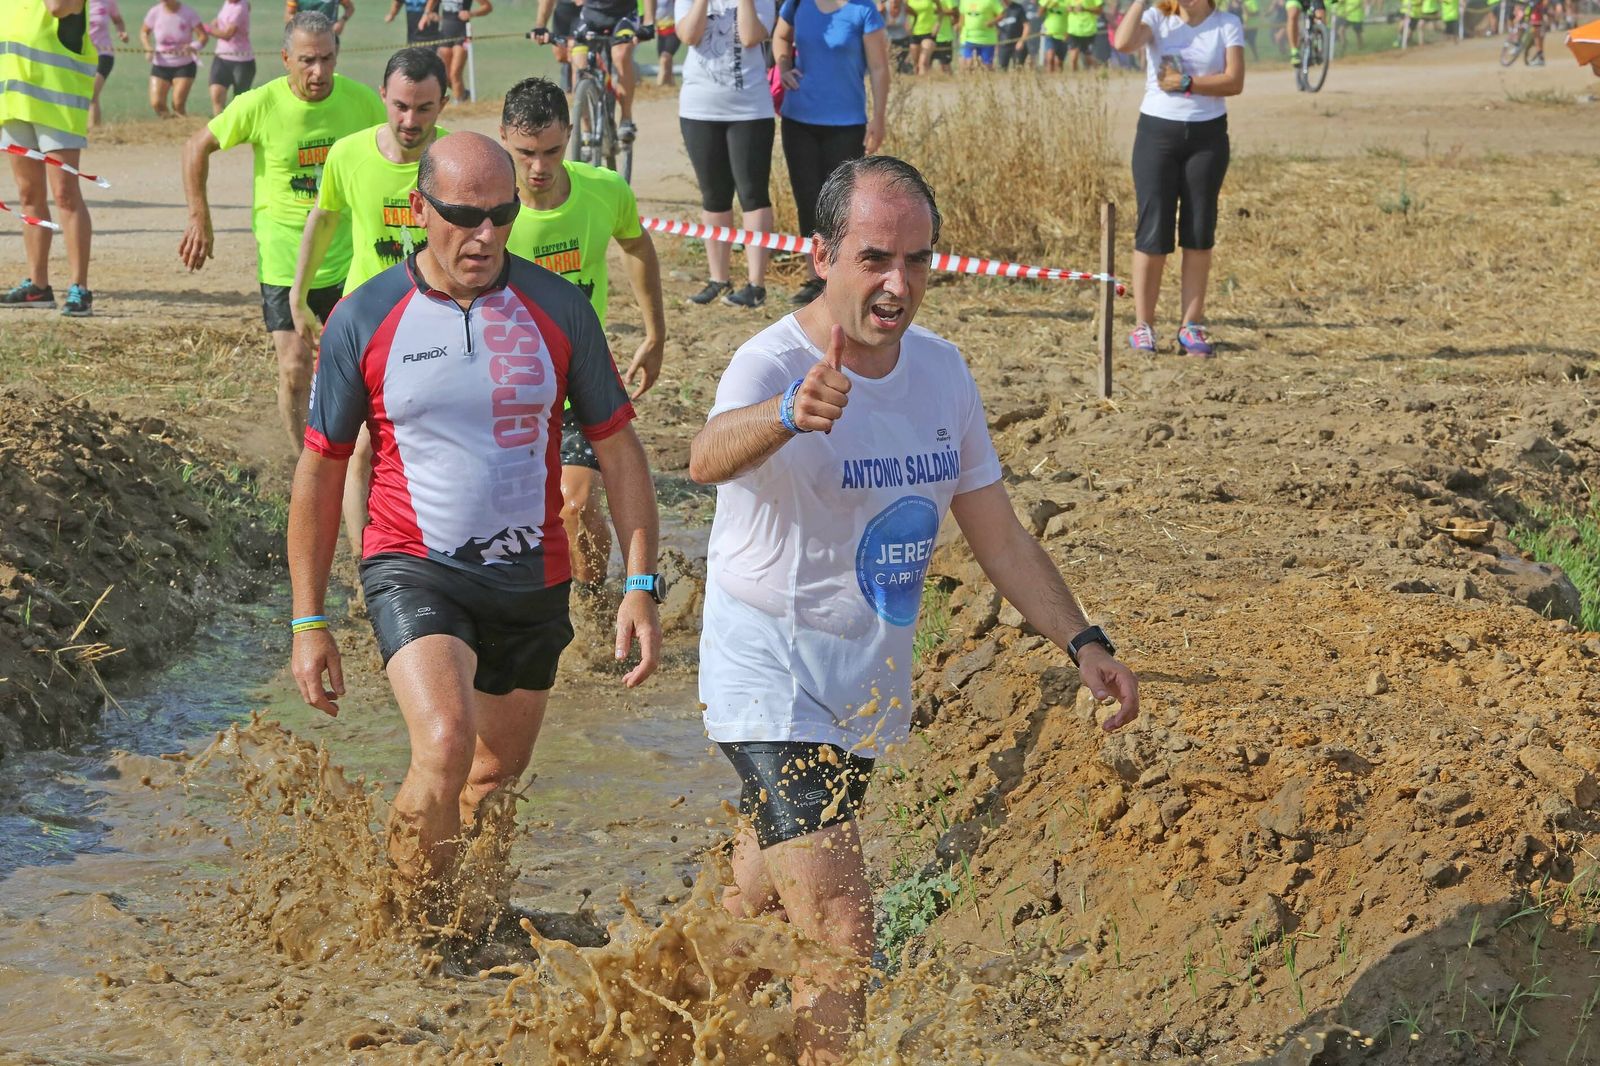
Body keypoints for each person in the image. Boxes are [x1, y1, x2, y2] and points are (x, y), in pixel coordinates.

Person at [688, 156, 1140, 1065]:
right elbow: (703, 457)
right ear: (822, 256)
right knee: (843, 927)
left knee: (753, 908)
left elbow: (999, 536)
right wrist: (785, 413)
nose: (899, 285)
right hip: (769, 672)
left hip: (860, 685)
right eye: (875, 259)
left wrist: (1082, 640)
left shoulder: (941, 373)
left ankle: (659, 1020)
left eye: (919, 261)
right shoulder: (773, 359)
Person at [288, 131, 663, 895]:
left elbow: (620, 450)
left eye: (502, 215)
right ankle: (401, 930)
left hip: (531, 579)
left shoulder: (558, 307)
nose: (486, 236)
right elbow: (322, 470)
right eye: (465, 216)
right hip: (413, 564)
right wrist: (308, 619)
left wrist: (640, 582)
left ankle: (468, 919)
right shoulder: (365, 317)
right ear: (419, 209)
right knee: (445, 743)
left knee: (493, 778)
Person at [179, 12, 385, 448]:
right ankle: (300, 465)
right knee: (294, 368)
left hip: (349, 258)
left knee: (362, 372)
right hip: (285, 260)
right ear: (286, 58)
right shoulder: (262, 103)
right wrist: (201, 218)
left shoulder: (362, 102)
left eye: (328, 59)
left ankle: (359, 465)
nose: (319, 72)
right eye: (308, 60)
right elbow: (196, 146)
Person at [498, 77, 667, 590]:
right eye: (525, 152)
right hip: (505, 383)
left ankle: (590, 615)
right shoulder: (487, 209)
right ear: (502, 136)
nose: (539, 167)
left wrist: (654, 333)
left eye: (552, 151)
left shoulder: (604, 189)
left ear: (570, 134)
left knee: (576, 504)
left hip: (579, 375)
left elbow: (636, 246)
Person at [290, 47, 449, 559]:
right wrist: (298, 291)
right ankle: (369, 566)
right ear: (383, 95)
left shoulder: (453, 162)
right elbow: (323, 217)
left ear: (443, 104)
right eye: (401, 105)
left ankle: (435, 550)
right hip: (364, 326)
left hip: (437, 325)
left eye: (424, 109)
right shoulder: (349, 154)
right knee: (356, 449)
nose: (410, 120)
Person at [1114, 0, 1242, 358]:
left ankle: (1191, 325)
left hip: (1208, 137)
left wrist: (1187, 83)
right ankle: (1143, 325)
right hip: (1157, 134)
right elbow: (1122, 44)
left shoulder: (1227, 23)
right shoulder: (1157, 19)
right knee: (1152, 232)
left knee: (1199, 233)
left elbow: (1235, 81)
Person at [772, 0, 889, 305]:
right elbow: (780, 36)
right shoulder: (797, 3)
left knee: (843, 204)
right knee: (806, 200)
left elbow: (878, 68)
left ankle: (845, 277)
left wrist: (878, 117)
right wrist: (783, 66)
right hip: (798, 120)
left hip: (846, 123)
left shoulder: (863, 10)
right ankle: (816, 279)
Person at [676, 0, 778, 309]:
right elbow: (688, 36)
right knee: (714, 195)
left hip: (750, 110)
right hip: (699, 108)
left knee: (752, 193)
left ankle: (755, 285)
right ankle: (718, 279)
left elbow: (750, 36)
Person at [0, 0, 97, 317]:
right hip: (16, 107)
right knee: (29, 195)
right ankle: (38, 286)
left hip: (57, 108)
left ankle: (79, 287)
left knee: (65, 194)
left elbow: (56, 7)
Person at [534, 0, 656, 144]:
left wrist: (649, 22)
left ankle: (626, 118)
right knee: (578, 61)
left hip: (624, 15)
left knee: (621, 54)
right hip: (591, 15)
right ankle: (587, 130)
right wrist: (540, 27)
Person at [142, 0, 206, 117]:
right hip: (161, 64)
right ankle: (171, 128)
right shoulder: (155, 12)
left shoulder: (189, 13)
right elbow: (144, 32)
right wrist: (148, 47)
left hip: (184, 65)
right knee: (157, 103)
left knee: (178, 104)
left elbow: (203, 36)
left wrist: (193, 46)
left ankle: (183, 129)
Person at [421, 0, 490, 100]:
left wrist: (471, 13)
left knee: (455, 73)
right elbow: (432, 2)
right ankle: (464, 95)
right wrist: (427, 14)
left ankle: (459, 105)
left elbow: (487, 7)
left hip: (462, 33)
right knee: (445, 76)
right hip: (446, 33)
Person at [205, 0, 254, 115]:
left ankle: (238, 127)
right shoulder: (228, 3)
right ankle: (219, 128)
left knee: (239, 101)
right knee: (216, 96)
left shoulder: (240, 7)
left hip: (242, 60)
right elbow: (220, 20)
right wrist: (215, 24)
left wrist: (207, 29)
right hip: (221, 57)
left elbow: (227, 34)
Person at [88, 0, 129, 127]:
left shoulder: (108, 2)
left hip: (104, 54)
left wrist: (121, 32)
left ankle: (94, 131)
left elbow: (118, 20)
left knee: (92, 93)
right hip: (81, 55)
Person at [957, 0, 1004, 67]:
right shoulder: (964, 1)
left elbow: (1002, 14)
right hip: (969, 38)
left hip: (987, 40)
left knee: (986, 66)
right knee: (968, 64)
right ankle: (969, 77)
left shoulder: (991, 1)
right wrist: (959, 27)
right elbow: (962, 16)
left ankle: (988, 77)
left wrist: (992, 22)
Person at [285, 0, 354, 36]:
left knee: (328, 62)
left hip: (329, 34)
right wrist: (297, 31)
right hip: (305, 35)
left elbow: (349, 8)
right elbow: (290, 14)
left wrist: (341, 22)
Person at [1064, 0, 1102, 66]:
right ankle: (1074, 75)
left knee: (1088, 59)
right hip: (1073, 30)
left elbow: (1099, 11)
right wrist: (1068, 9)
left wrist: (1085, 9)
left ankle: (1100, 68)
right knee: (1073, 58)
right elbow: (1063, 8)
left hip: (1088, 30)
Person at [904, 0, 939, 70]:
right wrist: (906, 23)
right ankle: (925, 79)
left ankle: (925, 80)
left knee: (923, 63)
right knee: (915, 65)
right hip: (914, 33)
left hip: (929, 33)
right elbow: (903, 11)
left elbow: (940, 11)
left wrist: (937, 25)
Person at [995, 0, 1031, 67]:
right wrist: (996, 45)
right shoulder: (996, 8)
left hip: (1017, 44)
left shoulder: (1018, 8)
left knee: (1018, 68)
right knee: (1002, 69)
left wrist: (1021, 41)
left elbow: (1026, 26)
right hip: (1003, 45)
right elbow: (995, 29)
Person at [652, 0, 681, 84]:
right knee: (666, 64)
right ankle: (671, 87)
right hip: (660, 31)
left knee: (664, 58)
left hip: (674, 29)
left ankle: (658, 87)